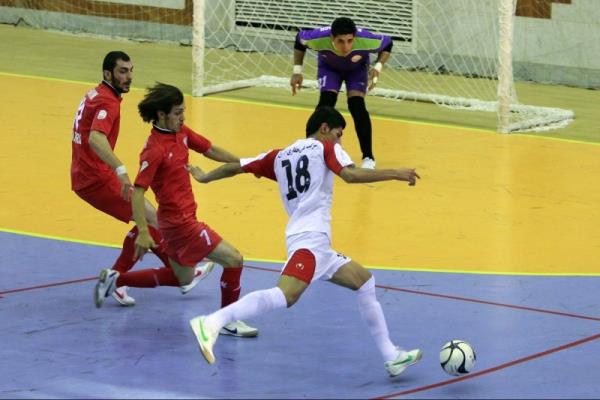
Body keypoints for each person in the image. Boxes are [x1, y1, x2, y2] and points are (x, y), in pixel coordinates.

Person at [187, 106, 421, 377]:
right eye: (338, 134)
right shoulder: (325, 148)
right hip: (310, 240)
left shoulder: (280, 155)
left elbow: (236, 166)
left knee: (364, 282)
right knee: (284, 295)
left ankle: (392, 356)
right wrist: (395, 173)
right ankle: (212, 322)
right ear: (324, 128)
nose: (339, 141)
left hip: (315, 243)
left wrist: (205, 178)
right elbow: (351, 175)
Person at [93, 83, 258, 338]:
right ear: (161, 114)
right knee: (234, 259)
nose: (183, 117)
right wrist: (144, 231)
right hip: (181, 225)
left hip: (175, 226)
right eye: (178, 113)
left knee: (183, 278)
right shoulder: (154, 150)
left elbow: (210, 149)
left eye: (183, 112)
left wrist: (246, 163)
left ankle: (117, 279)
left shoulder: (181, 132)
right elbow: (138, 192)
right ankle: (227, 321)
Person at [71, 51, 212, 308]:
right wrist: (120, 169)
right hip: (96, 178)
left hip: (86, 174)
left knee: (147, 219)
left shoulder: (96, 94)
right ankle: (177, 273)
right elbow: (95, 138)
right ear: (107, 74)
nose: (129, 76)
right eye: (122, 71)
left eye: (130, 70)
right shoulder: (108, 102)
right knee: (153, 218)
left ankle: (154, 274)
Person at [290, 17, 393, 170]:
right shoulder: (318, 38)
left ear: (355, 37)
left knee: (357, 106)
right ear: (332, 37)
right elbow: (299, 40)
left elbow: (388, 43)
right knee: (325, 105)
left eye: (350, 41)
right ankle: (310, 150)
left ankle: (368, 157)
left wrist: (378, 66)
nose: (346, 47)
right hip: (329, 68)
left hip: (356, 70)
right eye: (340, 41)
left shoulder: (366, 39)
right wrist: (297, 71)